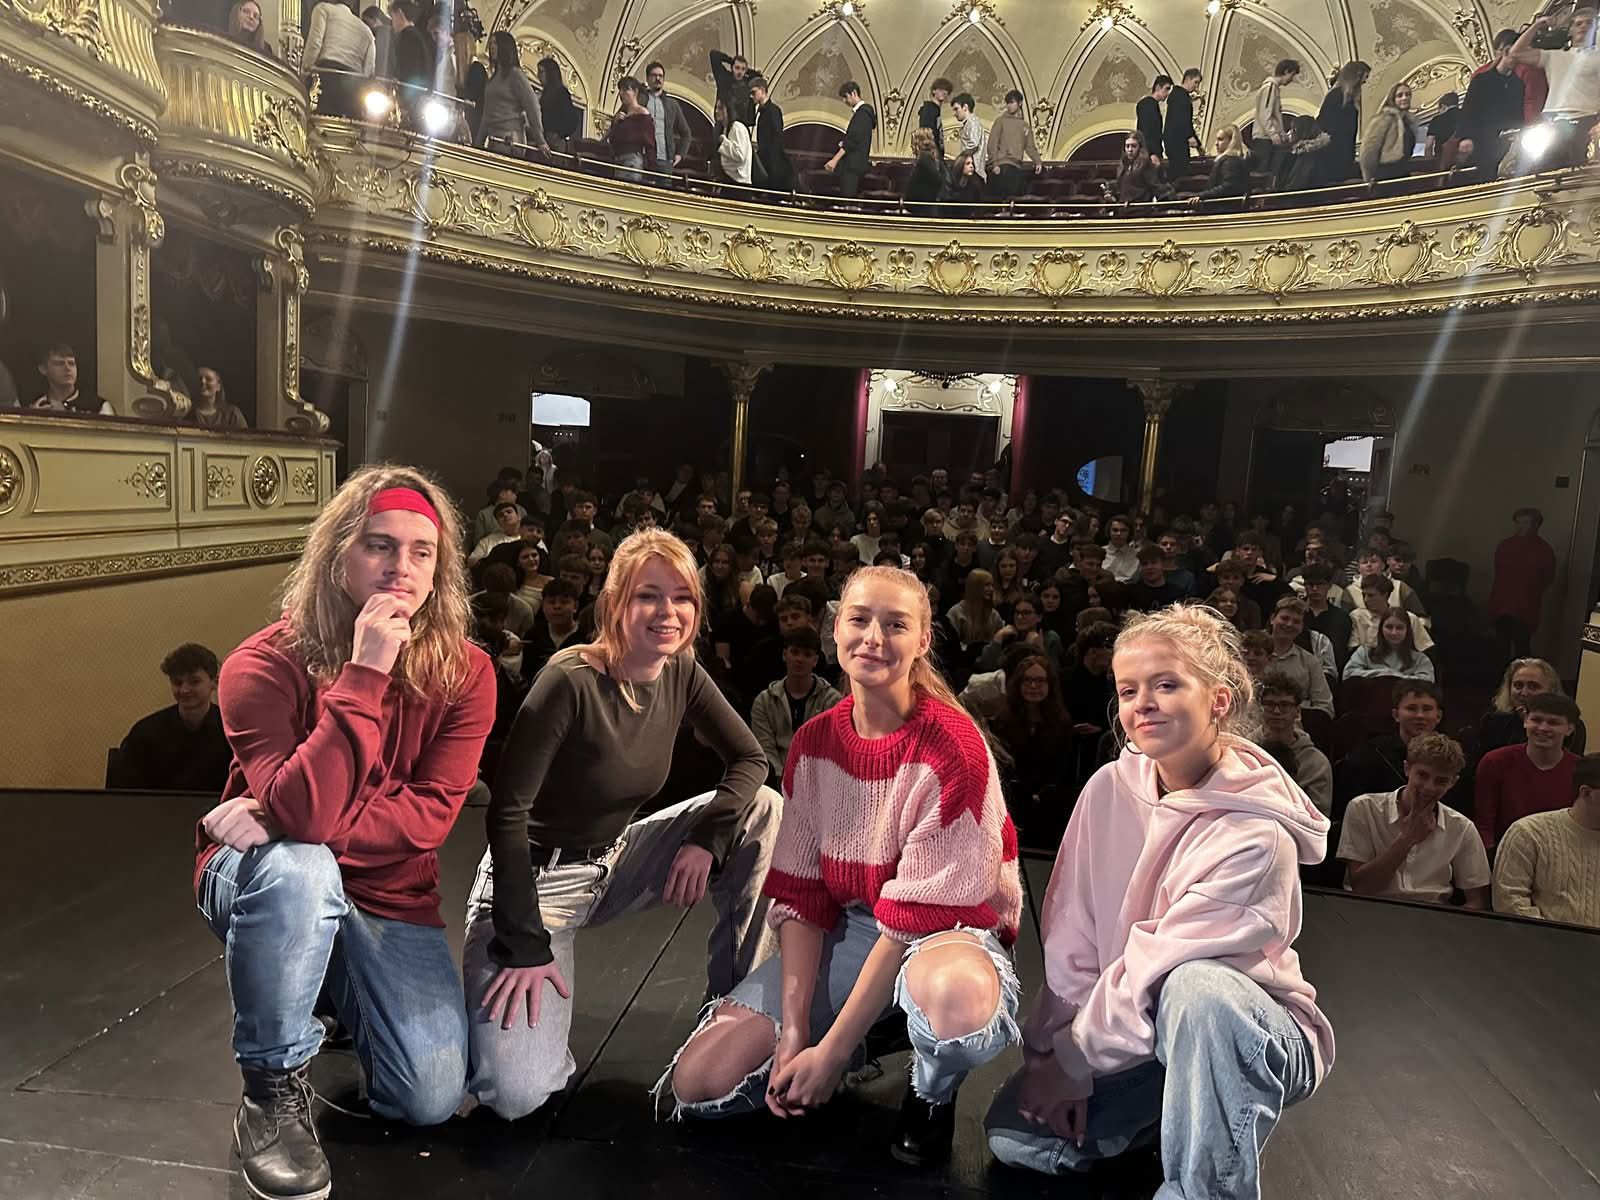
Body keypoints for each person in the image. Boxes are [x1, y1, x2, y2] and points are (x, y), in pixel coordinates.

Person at [194, 466, 495, 1200]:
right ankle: (269, 1091)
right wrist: (365, 673)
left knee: (428, 1098)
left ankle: (326, 981)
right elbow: (307, 825)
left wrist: (285, 814)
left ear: (440, 569)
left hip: (389, 893)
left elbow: (429, 818)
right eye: (378, 545)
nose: (401, 568)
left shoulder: (468, 674)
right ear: (337, 556)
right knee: (302, 869)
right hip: (262, 878)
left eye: (422, 552)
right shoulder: (260, 664)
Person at [664, 565, 1023, 1166]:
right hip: (860, 923)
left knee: (953, 1008)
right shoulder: (813, 743)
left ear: (923, 640)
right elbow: (803, 897)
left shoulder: (954, 746)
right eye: (859, 620)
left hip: (948, 930)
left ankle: (932, 1090)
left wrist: (830, 1053)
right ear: (836, 631)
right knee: (701, 1084)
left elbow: (911, 920)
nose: (874, 638)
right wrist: (797, 1033)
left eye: (896, 625)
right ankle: (875, 1029)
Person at [986, 604, 1331, 1194]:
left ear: (1218, 701)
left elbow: (1156, 968)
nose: (1142, 703)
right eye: (1128, 690)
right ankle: (1174, 1114)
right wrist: (1052, 1056)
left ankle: (1203, 1184)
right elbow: (1073, 937)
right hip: (1137, 1027)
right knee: (1015, 1138)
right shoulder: (1107, 789)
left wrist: (1078, 1061)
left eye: (1166, 685)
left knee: (1196, 988)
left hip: (1245, 1031)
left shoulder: (1258, 836)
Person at [466, 530, 780, 1120]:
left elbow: (750, 760)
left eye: (682, 597)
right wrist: (523, 941)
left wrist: (707, 839)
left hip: (615, 859)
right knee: (515, 1095)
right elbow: (507, 813)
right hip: (537, 884)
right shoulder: (568, 680)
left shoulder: (680, 669)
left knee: (762, 808)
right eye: (648, 596)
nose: (668, 612)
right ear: (614, 603)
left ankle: (738, 1019)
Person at [1339, 734, 1490, 907]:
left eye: (1441, 781)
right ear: (1407, 768)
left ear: (1453, 782)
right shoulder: (1363, 808)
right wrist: (1407, 839)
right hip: (1369, 909)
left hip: (1434, 915)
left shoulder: (1462, 827)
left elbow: (1478, 901)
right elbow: (1361, 888)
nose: (1429, 787)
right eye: (1422, 775)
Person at [1492, 753, 1600, 927]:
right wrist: (1552, 939)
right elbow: (1509, 903)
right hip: (1542, 941)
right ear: (1587, 793)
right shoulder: (1529, 833)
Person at [110, 643, 233, 793]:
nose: (184, 690)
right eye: (177, 682)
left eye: (194, 681)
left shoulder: (233, 732)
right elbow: (124, 795)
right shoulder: (145, 733)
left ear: (215, 682)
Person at [1475, 692, 1582, 852]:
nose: (1543, 728)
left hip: (1562, 853)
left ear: (1570, 728)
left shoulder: (1580, 769)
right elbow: (1484, 825)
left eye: (1553, 722)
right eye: (1536, 720)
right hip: (1504, 851)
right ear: (1525, 720)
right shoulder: (1494, 762)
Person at [749, 627, 842, 783]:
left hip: (820, 780)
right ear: (785, 654)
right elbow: (765, 748)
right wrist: (783, 779)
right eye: (795, 652)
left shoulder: (832, 700)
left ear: (815, 660)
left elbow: (831, 747)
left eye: (807, 655)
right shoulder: (764, 701)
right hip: (776, 781)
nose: (799, 659)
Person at [1258, 671, 1333, 816]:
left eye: (1285, 705)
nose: (1276, 711)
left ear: (1297, 712)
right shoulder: (1245, 750)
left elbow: (1319, 817)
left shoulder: (1317, 763)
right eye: (1269, 704)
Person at [1478, 657, 1588, 754]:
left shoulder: (1570, 724)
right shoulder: (1493, 720)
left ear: (1551, 691)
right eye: (1518, 685)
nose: (1524, 693)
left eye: (1533, 686)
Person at [1489, 506, 1557, 661]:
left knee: (1522, 647)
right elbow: (1499, 574)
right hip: (1501, 603)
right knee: (1500, 646)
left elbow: (1547, 579)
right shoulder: (1505, 546)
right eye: (1518, 522)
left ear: (1536, 525)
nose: (1520, 526)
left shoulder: (1543, 550)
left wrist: (1530, 593)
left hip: (1525, 606)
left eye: (1525, 522)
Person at [1459, 30, 1527, 171]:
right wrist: (1467, 137)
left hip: (1508, 145)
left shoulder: (1518, 84)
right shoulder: (1481, 80)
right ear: (1506, 51)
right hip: (1483, 143)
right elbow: (1469, 111)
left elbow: (1518, 114)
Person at [478, 30, 548, 155]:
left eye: (496, 43)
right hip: (493, 137)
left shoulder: (515, 74)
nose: (492, 46)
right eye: (491, 43)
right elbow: (487, 112)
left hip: (509, 138)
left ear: (504, 47)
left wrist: (540, 140)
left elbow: (532, 105)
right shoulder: (494, 78)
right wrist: (479, 141)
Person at [303, 0, 376, 117]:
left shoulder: (323, 9)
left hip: (325, 77)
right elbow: (368, 70)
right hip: (354, 87)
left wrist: (306, 70)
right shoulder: (367, 32)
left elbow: (315, 44)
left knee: (317, 123)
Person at [1265, 597, 1335, 716]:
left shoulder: (1310, 662)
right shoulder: (1250, 654)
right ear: (1272, 619)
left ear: (1301, 627)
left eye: (1296, 622)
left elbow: (1325, 707)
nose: (1289, 624)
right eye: (1284, 618)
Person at [1342, 607, 1435, 682]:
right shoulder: (1364, 652)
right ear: (1381, 628)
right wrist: (1380, 673)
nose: (1393, 632)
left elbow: (1428, 682)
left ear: (1407, 631)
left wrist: (1394, 676)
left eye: (1399, 628)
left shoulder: (1420, 659)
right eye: (1389, 627)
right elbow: (1347, 674)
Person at [1317, 61, 1368, 182]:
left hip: (1343, 152)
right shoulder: (1336, 96)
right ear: (1356, 76)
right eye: (1365, 77)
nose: (1365, 81)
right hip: (1334, 154)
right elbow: (1326, 126)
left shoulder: (1347, 98)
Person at [987, 89, 1043, 200]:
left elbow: (1030, 146)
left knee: (1014, 201)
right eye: (1008, 103)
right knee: (1001, 201)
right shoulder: (1000, 121)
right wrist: (995, 164)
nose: (1009, 105)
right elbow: (992, 144)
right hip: (1002, 166)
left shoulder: (1025, 125)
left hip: (1016, 167)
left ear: (1020, 103)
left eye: (1012, 102)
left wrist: (1038, 161)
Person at [826, 80, 876, 198]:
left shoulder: (862, 114)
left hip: (852, 167)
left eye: (845, 97)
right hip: (858, 165)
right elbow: (857, 138)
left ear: (854, 93)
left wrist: (834, 160)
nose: (844, 101)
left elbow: (852, 141)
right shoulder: (866, 114)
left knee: (847, 200)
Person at [1253, 58, 1301, 182]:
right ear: (1286, 71)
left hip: (1268, 138)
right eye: (1292, 75)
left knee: (1271, 174)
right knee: (1264, 176)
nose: (1292, 79)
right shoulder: (1269, 87)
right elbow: (1265, 113)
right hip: (1264, 139)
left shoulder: (1273, 88)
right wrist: (1273, 133)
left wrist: (1282, 134)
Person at [1360, 83, 1420, 180]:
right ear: (1393, 99)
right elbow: (1369, 150)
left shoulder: (1408, 121)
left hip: (1402, 171)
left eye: (1408, 94)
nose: (1405, 98)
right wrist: (1369, 178)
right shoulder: (1384, 119)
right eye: (1400, 95)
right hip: (1385, 174)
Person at [29, 343, 111, 414]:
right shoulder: (34, 405)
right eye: (60, 363)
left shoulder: (98, 406)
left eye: (71, 363)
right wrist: (32, 417)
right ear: (43, 369)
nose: (68, 368)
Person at [642, 61, 692, 171]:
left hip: (665, 160)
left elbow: (686, 133)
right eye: (654, 75)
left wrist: (680, 154)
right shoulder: (639, 99)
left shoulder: (672, 104)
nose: (658, 78)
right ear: (647, 78)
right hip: (643, 158)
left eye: (660, 76)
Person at [607, 76, 657, 184]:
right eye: (620, 90)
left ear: (635, 92)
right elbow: (612, 139)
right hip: (617, 160)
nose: (621, 93)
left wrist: (652, 170)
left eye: (626, 90)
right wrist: (615, 123)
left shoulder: (642, 114)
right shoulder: (621, 115)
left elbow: (650, 143)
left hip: (632, 160)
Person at [749, 76, 796, 193]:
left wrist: (770, 162)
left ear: (762, 90)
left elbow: (777, 137)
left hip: (773, 163)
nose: (751, 96)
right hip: (766, 159)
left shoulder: (773, 110)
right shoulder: (762, 111)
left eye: (753, 92)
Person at [1193, 124, 1252, 201]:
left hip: (1223, 205)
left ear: (1231, 141)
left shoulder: (1231, 161)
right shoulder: (1234, 159)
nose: (1216, 143)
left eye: (1220, 139)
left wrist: (1202, 196)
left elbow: (1228, 187)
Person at [1162, 68, 1202, 182]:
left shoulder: (1177, 95)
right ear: (1188, 79)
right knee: (1180, 174)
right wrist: (1191, 137)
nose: (1196, 86)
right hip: (1177, 142)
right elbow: (1182, 120)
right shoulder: (1181, 96)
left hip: (1173, 141)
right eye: (1195, 82)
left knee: (1178, 173)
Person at [537, 56, 580, 152]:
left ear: (550, 73)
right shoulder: (545, 94)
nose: (538, 75)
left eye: (541, 72)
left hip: (555, 142)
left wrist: (559, 134)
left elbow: (572, 119)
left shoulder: (561, 93)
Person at [1110, 132, 1167, 203]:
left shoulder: (1145, 165)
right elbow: (1121, 192)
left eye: (1133, 146)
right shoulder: (1123, 166)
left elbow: (1156, 187)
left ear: (1140, 147)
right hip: (1123, 208)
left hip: (1140, 207)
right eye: (1127, 146)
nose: (1130, 150)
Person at [1281, 114, 1330, 190]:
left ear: (1301, 131)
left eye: (1293, 129)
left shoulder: (1307, 156)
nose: (1289, 133)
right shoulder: (1317, 151)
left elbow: (1295, 186)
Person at [709, 48, 755, 128]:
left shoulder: (747, 83)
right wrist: (731, 60)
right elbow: (714, 55)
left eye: (743, 69)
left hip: (741, 126)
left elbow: (759, 76)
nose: (740, 72)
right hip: (723, 124)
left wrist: (748, 71)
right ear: (732, 68)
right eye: (737, 68)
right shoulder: (724, 79)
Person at [715, 96, 753, 186]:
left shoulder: (737, 127)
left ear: (728, 110)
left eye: (720, 108)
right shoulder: (725, 128)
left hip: (739, 183)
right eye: (716, 108)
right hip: (729, 179)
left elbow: (740, 155)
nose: (716, 111)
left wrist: (724, 142)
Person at [1135, 75, 1171, 169]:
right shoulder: (1149, 105)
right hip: (1150, 156)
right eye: (1166, 89)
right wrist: (1151, 153)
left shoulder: (1148, 104)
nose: (1167, 93)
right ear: (1158, 87)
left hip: (1148, 153)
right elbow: (1147, 130)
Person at [905, 127, 945, 206]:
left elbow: (937, 180)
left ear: (918, 142)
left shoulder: (925, 158)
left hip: (922, 206)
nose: (911, 146)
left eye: (912, 142)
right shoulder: (931, 157)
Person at [953, 91, 987, 177]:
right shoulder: (969, 123)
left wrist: (959, 159)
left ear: (965, 107)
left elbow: (973, 144)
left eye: (956, 109)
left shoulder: (973, 123)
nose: (955, 114)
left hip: (974, 171)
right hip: (972, 170)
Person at [918, 77, 951, 163]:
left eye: (946, 90)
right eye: (940, 89)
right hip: (931, 156)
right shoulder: (929, 109)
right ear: (934, 91)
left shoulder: (936, 110)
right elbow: (926, 134)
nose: (944, 92)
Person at [1426, 89, 1462, 161]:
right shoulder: (1467, 114)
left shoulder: (1437, 119)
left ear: (1443, 106)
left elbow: (1429, 146)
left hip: (1443, 160)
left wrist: (1429, 162)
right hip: (1465, 158)